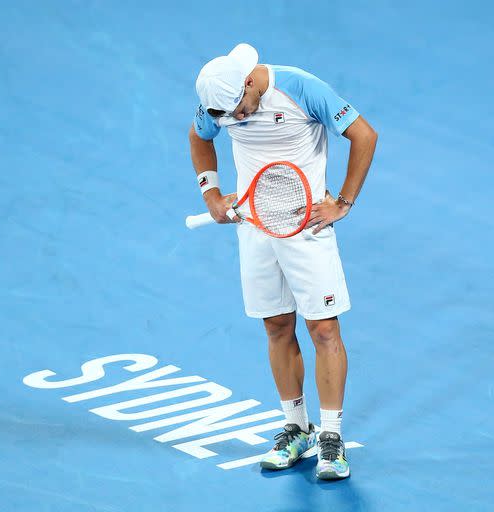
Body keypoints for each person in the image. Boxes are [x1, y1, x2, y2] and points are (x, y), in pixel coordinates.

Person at [188, 43, 377, 480]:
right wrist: (211, 194)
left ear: (250, 81)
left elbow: (364, 135)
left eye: (236, 108)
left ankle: (330, 436)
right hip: (255, 229)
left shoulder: (301, 88)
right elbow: (199, 137)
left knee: (323, 329)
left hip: (307, 229)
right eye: (222, 114)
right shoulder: (220, 103)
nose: (232, 119)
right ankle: (295, 427)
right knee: (276, 326)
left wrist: (344, 201)